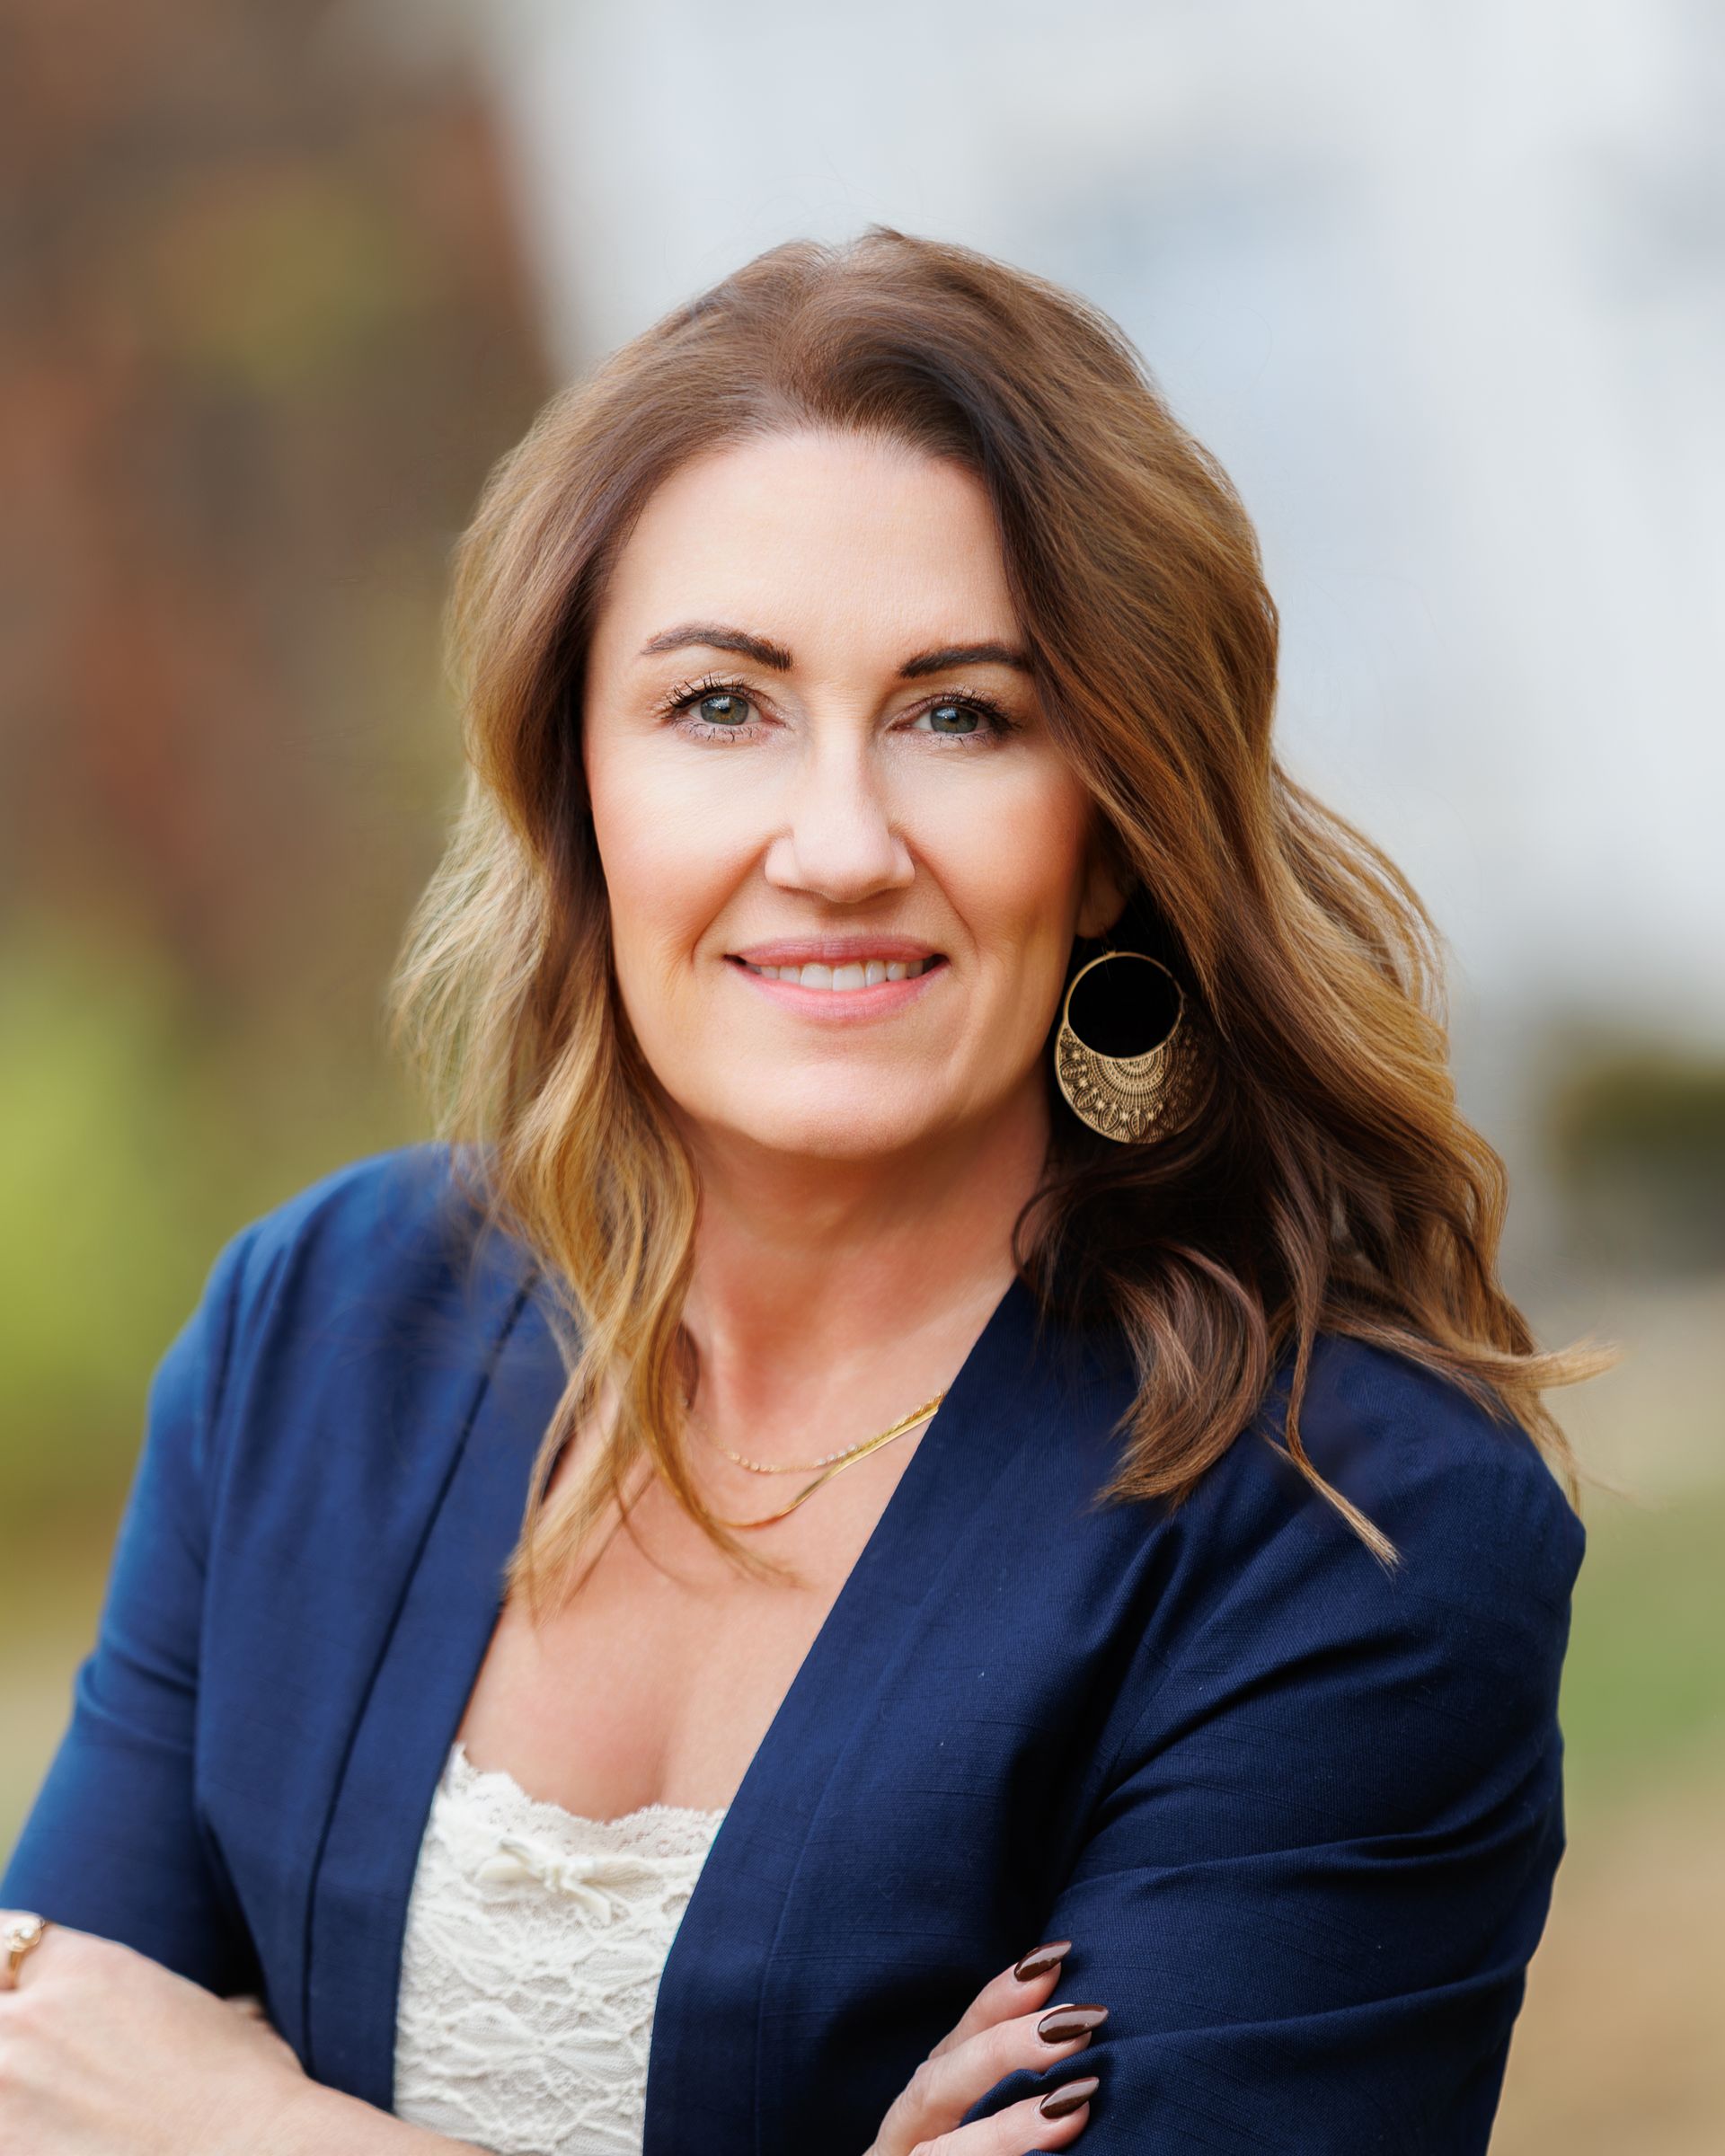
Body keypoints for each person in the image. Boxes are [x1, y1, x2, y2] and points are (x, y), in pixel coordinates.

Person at [0, 226, 1606, 2155]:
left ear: (1110, 832)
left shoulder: (1348, 1514)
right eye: (719, 707)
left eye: (962, 715)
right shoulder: (322, 1324)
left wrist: (243, 2127)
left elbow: (124, 2093)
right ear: (571, 780)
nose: (837, 845)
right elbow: (46, 2068)